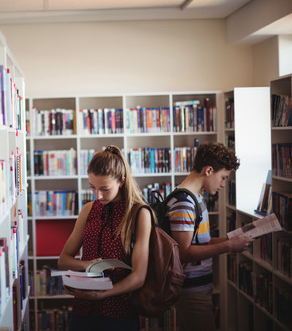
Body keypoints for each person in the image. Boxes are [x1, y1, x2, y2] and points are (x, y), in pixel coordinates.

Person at [58, 145, 153, 331]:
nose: (98, 195)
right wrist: (85, 265)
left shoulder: (139, 214)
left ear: (122, 181)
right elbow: (63, 260)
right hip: (83, 309)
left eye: (105, 189)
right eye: (92, 187)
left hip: (119, 312)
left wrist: (104, 294)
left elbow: (139, 276)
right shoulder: (88, 210)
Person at [167, 141, 254, 331]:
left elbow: (202, 242)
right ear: (208, 170)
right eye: (223, 177)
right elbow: (184, 252)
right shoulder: (184, 202)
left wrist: (233, 238)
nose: (223, 185)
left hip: (199, 287)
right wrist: (229, 247)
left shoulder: (196, 197)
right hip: (191, 290)